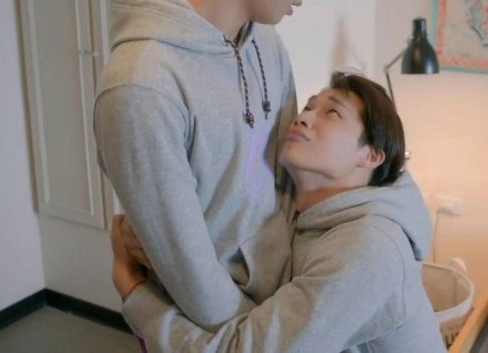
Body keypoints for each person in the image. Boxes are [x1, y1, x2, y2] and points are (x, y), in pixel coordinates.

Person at [94, 0, 331, 332]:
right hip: (215, 334)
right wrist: (263, 339)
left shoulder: (267, 43)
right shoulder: (141, 85)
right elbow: (192, 277)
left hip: (283, 307)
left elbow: (289, 182)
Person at [111, 72, 447, 353]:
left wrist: (134, 292)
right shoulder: (302, 213)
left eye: (332, 113)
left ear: (371, 156)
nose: (304, 117)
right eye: (309, 106)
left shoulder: (367, 248)